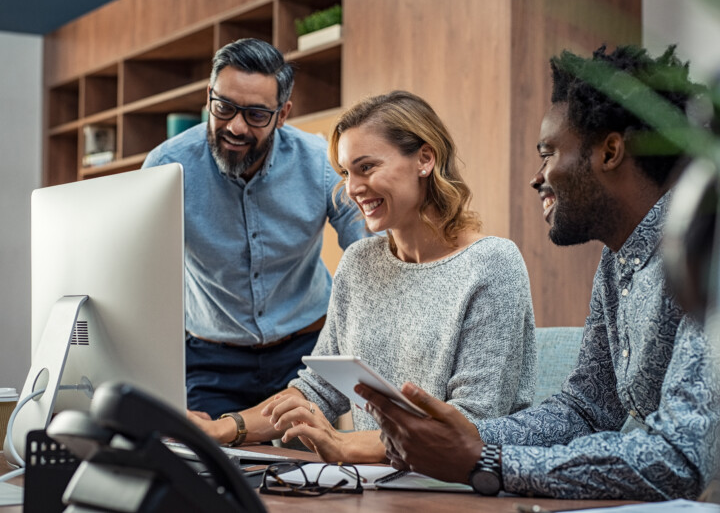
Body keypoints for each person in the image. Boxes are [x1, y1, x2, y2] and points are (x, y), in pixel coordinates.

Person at [357, 45, 720, 500]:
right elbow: (585, 410)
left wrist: (485, 462)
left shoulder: (706, 247)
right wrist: (460, 437)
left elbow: (679, 457)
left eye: (548, 153)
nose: (537, 176)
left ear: (610, 152)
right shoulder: (617, 261)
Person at [188, 90, 536, 463]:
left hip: (462, 484)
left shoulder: (493, 264)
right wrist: (224, 428)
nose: (352, 189)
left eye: (366, 167)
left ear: (424, 158)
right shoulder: (358, 263)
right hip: (376, 481)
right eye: (345, 173)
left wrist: (344, 445)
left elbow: (472, 424)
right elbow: (317, 390)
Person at [142, 38, 367, 418]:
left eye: (256, 115)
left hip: (306, 355)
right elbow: (140, 273)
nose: (235, 126)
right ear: (208, 95)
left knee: (305, 473)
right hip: (211, 362)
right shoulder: (167, 168)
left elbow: (369, 251)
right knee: (211, 469)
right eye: (224, 107)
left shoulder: (319, 163)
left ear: (282, 114)